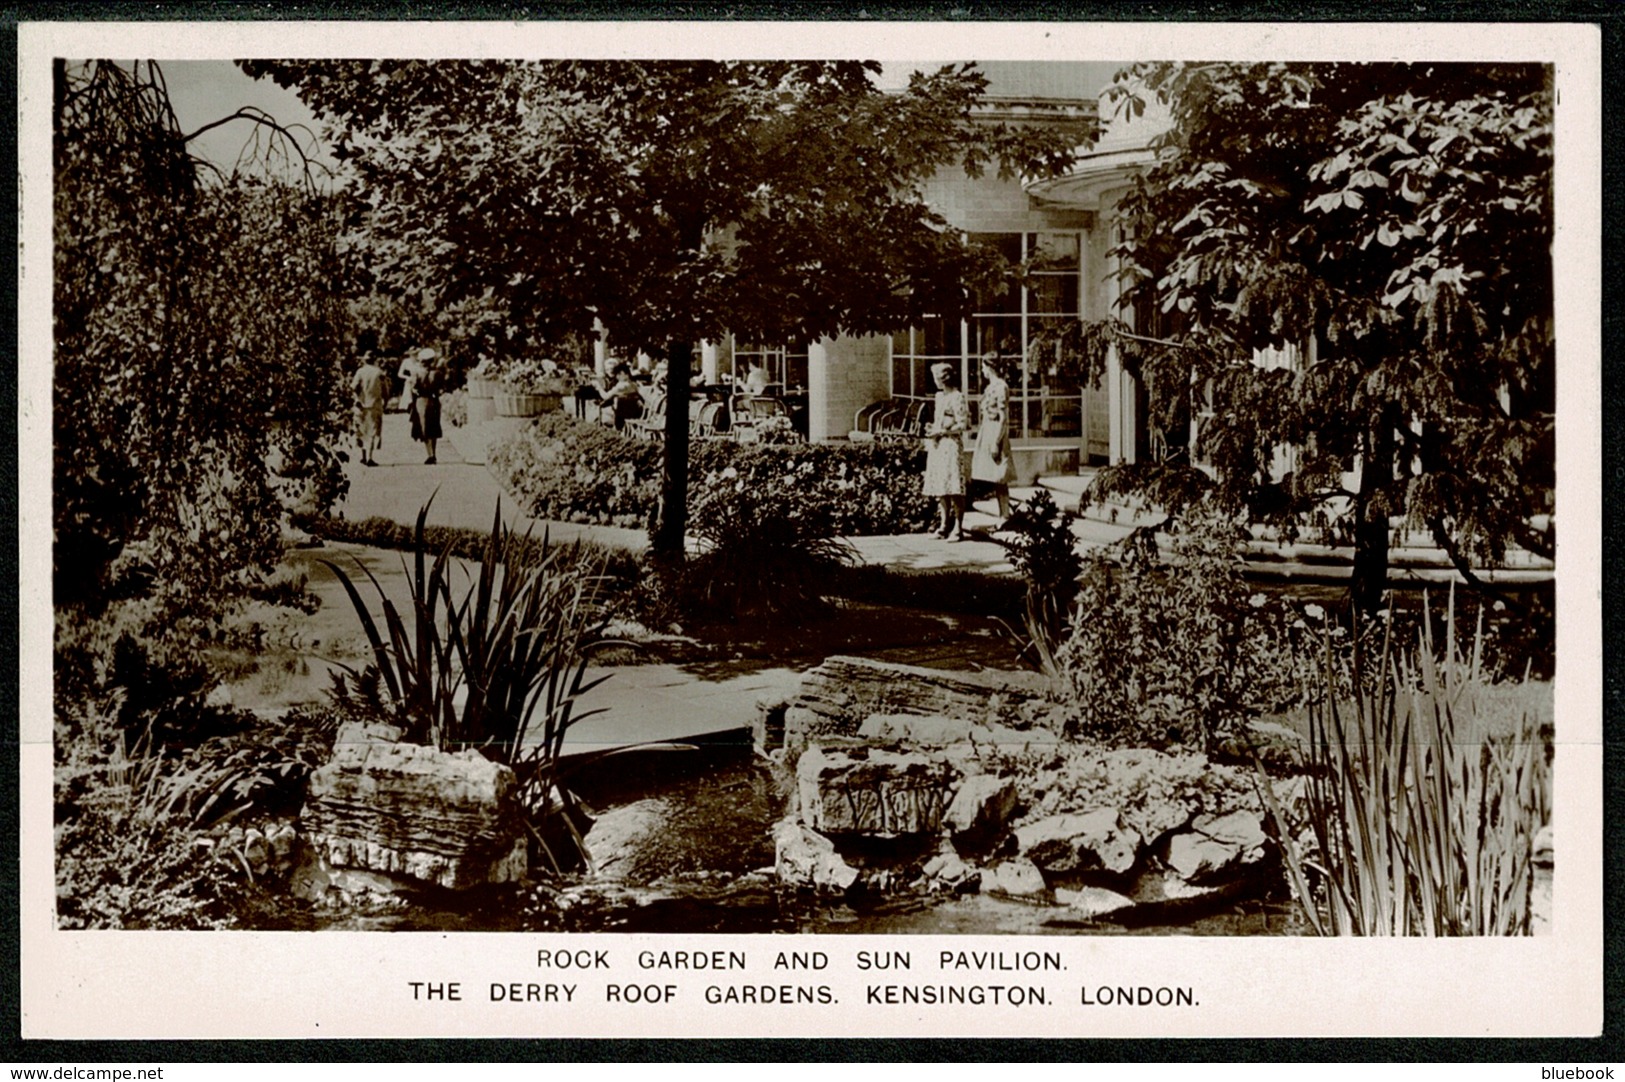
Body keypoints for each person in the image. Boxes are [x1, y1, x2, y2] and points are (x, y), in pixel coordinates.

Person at [921, 362, 970, 541]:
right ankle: (943, 525)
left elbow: (963, 424)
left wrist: (941, 431)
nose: (934, 381)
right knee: (942, 486)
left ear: (943, 379)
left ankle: (958, 527)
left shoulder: (957, 397)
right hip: (938, 445)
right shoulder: (939, 397)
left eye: (936, 377)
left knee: (954, 486)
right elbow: (940, 420)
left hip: (950, 444)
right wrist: (933, 427)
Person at [971, 352, 1015, 523]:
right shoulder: (990, 387)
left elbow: (1004, 418)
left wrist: (996, 442)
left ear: (989, 367)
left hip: (997, 432)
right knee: (994, 477)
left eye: (983, 367)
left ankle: (1005, 516)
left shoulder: (1000, 387)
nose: (982, 371)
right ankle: (1002, 514)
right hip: (988, 430)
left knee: (1000, 476)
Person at [351, 352, 387, 467]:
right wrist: (385, 401)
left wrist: (357, 398)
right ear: (374, 360)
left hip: (361, 404)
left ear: (365, 360)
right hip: (374, 404)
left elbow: (353, 387)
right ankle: (370, 458)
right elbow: (385, 389)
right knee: (372, 430)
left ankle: (363, 457)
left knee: (362, 430)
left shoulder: (360, 372)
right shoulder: (379, 372)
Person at [408, 358, 443, 464]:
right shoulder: (437, 373)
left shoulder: (417, 373)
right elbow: (441, 388)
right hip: (435, 401)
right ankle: (434, 454)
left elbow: (413, 389)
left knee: (425, 427)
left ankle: (430, 455)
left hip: (422, 401)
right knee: (434, 427)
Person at [603, 363, 644, 430]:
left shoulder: (621, 386)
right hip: (634, 412)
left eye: (618, 375)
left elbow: (605, 396)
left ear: (622, 373)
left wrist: (598, 388)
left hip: (624, 414)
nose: (617, 377)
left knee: (607, 409)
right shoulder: (634, 384)